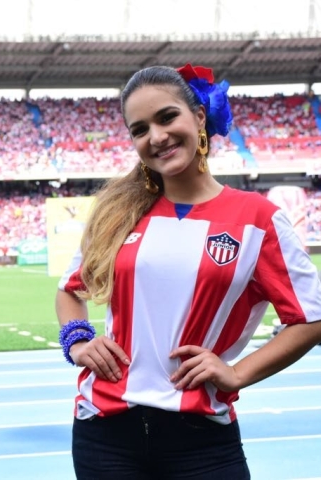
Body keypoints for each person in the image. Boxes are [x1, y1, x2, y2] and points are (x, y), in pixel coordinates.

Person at [55, 63, 321, 479]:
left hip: (202, 442)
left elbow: (310, 318)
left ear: (198, 116)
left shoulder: (258, 218)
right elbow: (71, 289)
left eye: (166, 117)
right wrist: (76, 339)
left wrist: (236, 373)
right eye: (139, 129)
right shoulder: (117, 213)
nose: (156, 137)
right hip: (104, 436)